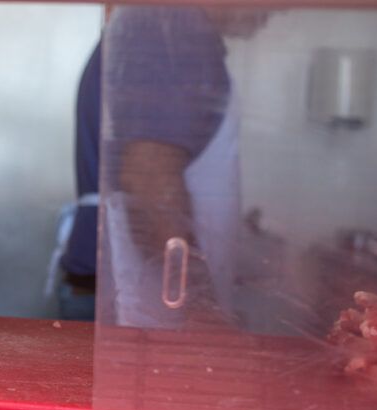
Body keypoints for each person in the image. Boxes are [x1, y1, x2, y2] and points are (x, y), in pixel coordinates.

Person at [56, 6, 269, 327]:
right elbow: (149, 182)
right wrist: (205, 312)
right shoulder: (168, 28)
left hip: (117, 289)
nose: (281, 9)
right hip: (136, 310)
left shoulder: (164, 27)